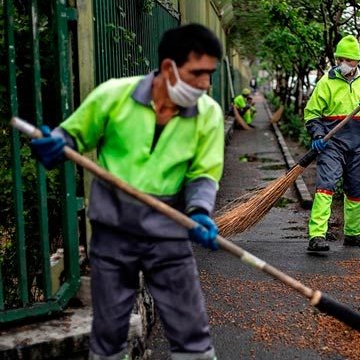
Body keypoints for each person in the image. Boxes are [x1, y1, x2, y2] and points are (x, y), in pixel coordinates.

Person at [29, 23, 224, 360]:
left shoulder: (208, 114)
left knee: (191, 332)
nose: (206, 84)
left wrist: (200, 212)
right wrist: (56, 143)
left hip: (168, 231)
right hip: (113, 230)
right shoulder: (114, 95)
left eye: (211, 74)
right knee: (108, 334)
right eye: (198, 73)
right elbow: (73, 135)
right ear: (168, 68)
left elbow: (203, 175)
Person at [304, 35, 360, 252]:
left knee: (358, 190)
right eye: (345, 60)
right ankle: (317, 235)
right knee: (326, 186)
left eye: (353, 61)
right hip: (333, 143)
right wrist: (318, 135)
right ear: (338, 59)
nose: (349, 65)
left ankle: (353, 233)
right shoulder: (326, 82)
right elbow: (311, 113)